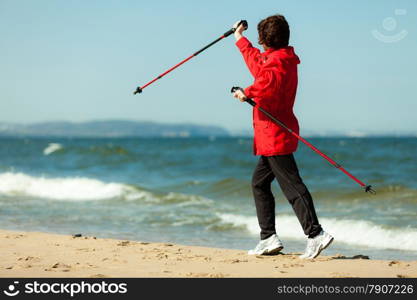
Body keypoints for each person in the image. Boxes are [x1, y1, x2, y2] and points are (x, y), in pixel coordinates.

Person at [232, 15, 333, 259]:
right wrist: (240, 39)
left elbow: (266, 82)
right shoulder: (279, 58)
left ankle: (316, 234)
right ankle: (268, 238)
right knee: (259, 183)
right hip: (272, 133)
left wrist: (247, 93)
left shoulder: (278, 63)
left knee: (292, 185)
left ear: (265, 41)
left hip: (274, 133)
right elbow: (258, 65)